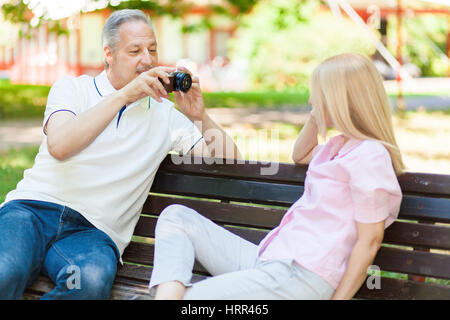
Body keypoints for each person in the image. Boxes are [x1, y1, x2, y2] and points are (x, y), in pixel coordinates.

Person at [0, 9, 239, 300]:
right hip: (31, 212)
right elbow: (60, 145)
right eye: (134, 50)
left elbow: (230, 164)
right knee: (5, 271)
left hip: (91, 235)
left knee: (87, 283)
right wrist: (126, 95)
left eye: (152, 49)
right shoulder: (73, 88)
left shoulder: (166, 116)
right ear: (108, 54)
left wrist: (200, 116)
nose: (147, 60)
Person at [149, 53, 405, 300]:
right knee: (176, 217)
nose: (309, 101)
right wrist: (317, 115)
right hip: (270, 260)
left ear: (339, 99)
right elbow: (300, 154)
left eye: (317, 94)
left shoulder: (370, 155)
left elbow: (370, 241)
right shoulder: (339, 146)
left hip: (302, 276)